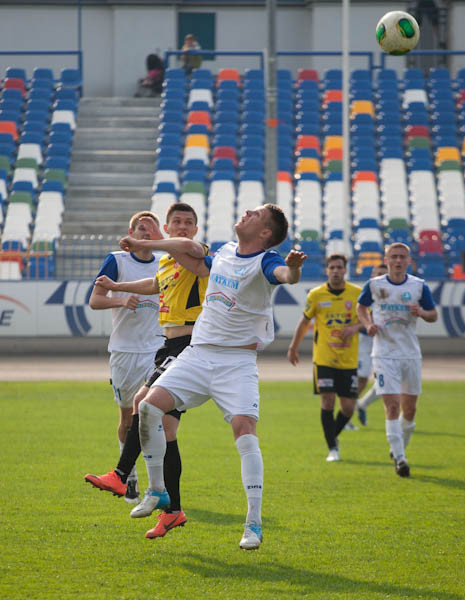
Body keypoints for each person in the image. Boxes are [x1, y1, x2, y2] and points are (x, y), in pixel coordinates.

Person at [122, 204, 304, 549]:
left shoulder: (266, 260)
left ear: (265, 233)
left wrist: (293, 270)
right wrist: (153, 242)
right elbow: (193, 262)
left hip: (236, 362)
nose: (247, 212)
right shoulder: (225, 252)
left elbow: (284, 276)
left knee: (245, 432)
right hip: (198, 354)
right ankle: (158, 490)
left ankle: (253, 524)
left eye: (255, 214)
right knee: (147, 407)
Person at [85, 203, 208, 538]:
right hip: (169, 347)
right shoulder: (168, 262)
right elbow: (154, 285)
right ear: (168, 226)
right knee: (165, 430)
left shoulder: (196, 253)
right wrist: (118, 287)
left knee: (143, 404)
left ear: (196, 229)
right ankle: (172, 510)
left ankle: (125, 477)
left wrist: (145, 243)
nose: (183, 227)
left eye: (188, 222)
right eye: (176, 222)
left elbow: (189, 248)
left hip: (190, 347)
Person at [87, 211, 164, 504]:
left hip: (157, 350)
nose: (146, 232)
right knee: (127, 418)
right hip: (124, 351)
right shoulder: (117, 260)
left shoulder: (165, 261)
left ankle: (157, 486)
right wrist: (120, 299)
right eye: (140, 227)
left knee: (153, 417)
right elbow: (95, 300)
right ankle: (129, 477)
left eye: (151, 228)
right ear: (130, 233)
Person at [356, 243, 438, 478]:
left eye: (402, 257)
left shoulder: (418, 286)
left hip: (410, 354)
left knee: (409, 410)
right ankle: (401, 459)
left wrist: (421, 313)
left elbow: (433, 315)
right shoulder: (374, 285)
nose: (398, 261)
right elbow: (361, 308)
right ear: (386, 260)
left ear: (409, 261)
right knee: (392, 406)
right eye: (394, 257)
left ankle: (398, 448)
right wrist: (368, 324)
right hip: (383, 354)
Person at [287, 254, 363, 462]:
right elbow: (305, 322)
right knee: (328, 401)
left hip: (348, 359)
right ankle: (332, 448)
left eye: (339, 267)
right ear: (326, 270)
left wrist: (355, 327)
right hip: (324, 358)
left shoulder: (357, 294)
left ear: (345, 270)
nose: (336, 271)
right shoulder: (316, 294)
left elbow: (368, 319)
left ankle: (332, 436)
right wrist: (293, 347)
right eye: (332, 267)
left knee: (348, 407)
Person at [355, 262, 389, 426]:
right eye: (379, 274)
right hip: (366, 341)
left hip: (385, 342)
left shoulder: (393, 294)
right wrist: (367, 325)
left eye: (385, 274)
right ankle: (346, 414)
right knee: (361, 379)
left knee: (385, 380)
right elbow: (357, 316)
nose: (382, 277)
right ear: (373, 276)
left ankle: (361, 404)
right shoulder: (366, 293)